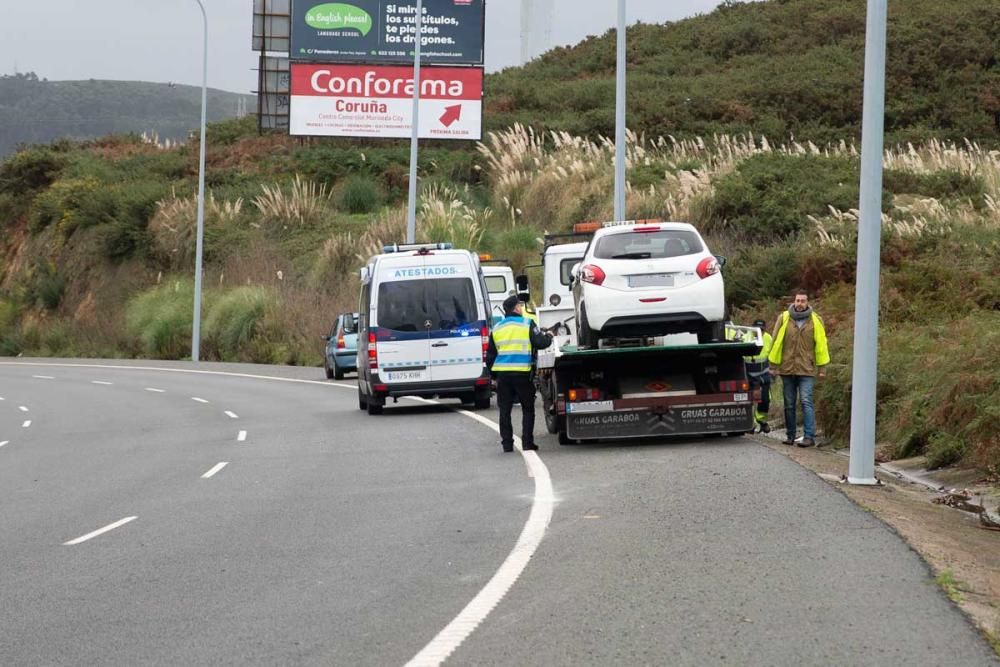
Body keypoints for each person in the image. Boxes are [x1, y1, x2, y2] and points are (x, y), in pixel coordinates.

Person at [486, 294, 553, 453]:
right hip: (522, 373)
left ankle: (507, 445)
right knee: (528, 409)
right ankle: (527, 443)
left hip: (503, 376)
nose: (521, 308)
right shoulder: (527, 324)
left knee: (505, 410)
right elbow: (541, 343)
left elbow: (490, 357)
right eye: (520, 306)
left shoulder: (497, 329)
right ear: (516, 308)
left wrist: (494, 377)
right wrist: (549, 335)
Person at [768, 289, 830, 447]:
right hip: (787, 368)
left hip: (806, 369)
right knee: (789, 403)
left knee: (806, 401)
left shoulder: (816, 320)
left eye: (803, 301)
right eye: (797, 300)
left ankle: (809, 437)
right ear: (794, 302)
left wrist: (822, 368)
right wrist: (773, 366)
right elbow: (775, 342)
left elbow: (821, 345)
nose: (800, 303)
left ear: (807, 302)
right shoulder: (783, 318)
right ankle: (790, 435)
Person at [745, 319, 774, 433]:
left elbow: (773, 354)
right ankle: (750, 424)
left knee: (766, 399)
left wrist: (774, 368)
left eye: (761, 330)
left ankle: (761, 420)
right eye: (757, 329)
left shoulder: (768, 338)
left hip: (763, 374)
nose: (759, 332)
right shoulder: (746, 337)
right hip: (749, 374)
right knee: (748, 399)